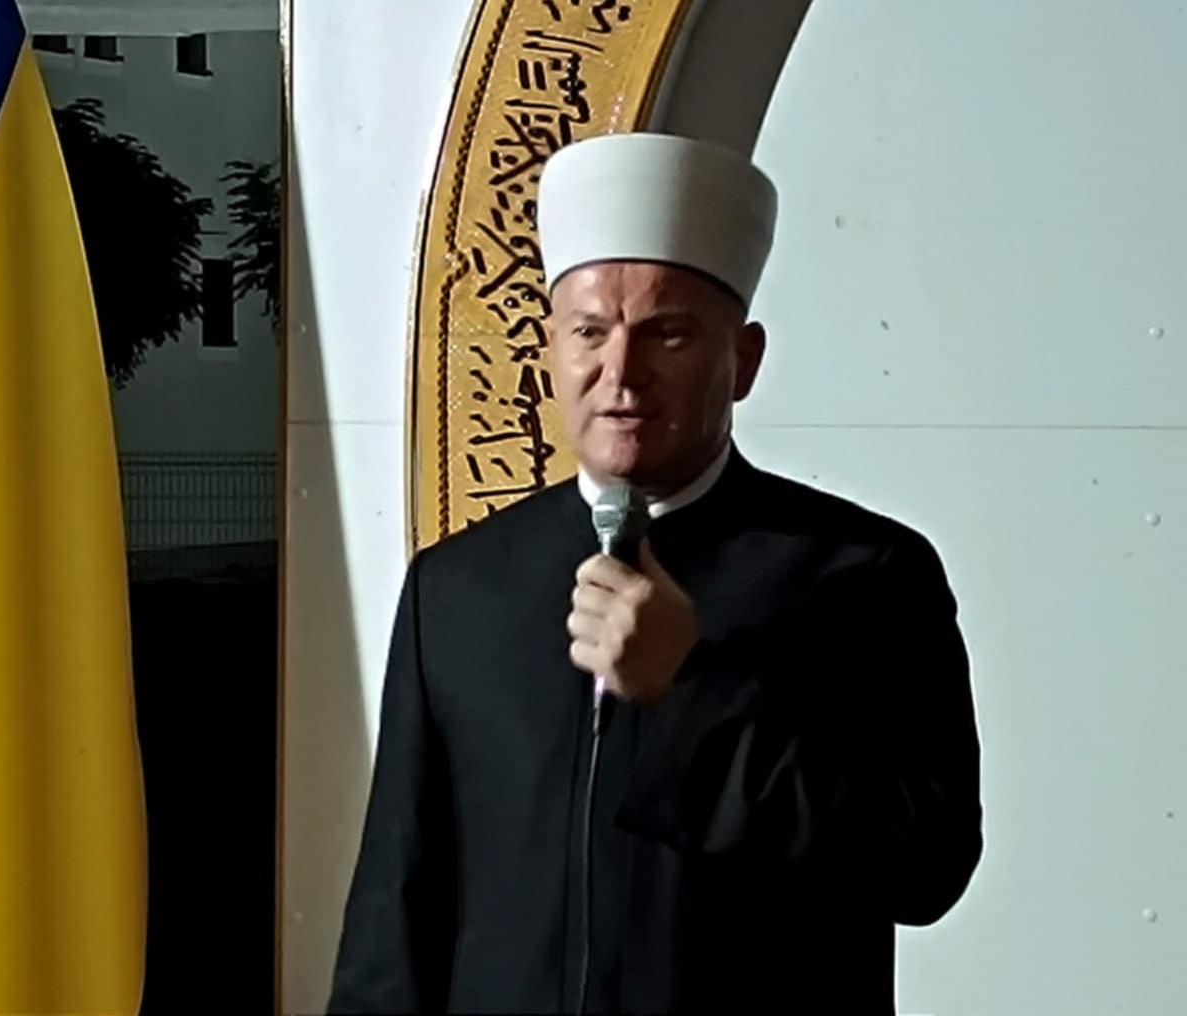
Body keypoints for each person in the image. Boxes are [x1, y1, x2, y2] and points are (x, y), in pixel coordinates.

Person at [326, 132, 983, 1014]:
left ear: (743, 361)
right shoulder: (458, 588)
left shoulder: (863, 575)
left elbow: (927, 866)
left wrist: (690, 691)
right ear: (550, 348)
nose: (621, 374)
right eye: (589, 333)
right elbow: (397, 906)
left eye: (667, 335)